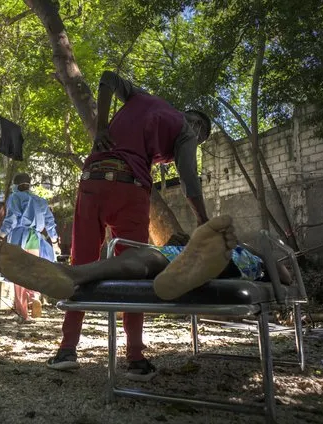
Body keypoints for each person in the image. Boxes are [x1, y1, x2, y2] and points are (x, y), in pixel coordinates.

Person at [50, 70, 213, 378]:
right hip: (129, 187)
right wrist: (204, 221)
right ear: (198, 125)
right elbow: (191, 184)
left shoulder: (144, 98)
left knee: (80, 264)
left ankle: (66, 350)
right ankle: (135, 359)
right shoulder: (188, 131)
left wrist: (101, 128)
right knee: (133, 269)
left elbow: (108, 77)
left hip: (92, 178)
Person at [0, 216, 292, 379]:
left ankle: (73, 272)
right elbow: (286, 277)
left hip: (192, 258)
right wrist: (264, 257)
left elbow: (285, 280)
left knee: (143, 258)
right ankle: (71, 274)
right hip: (209, 262)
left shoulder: (244, 250)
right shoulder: (248, 251)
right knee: (150, 256)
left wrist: (267, 259)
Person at [0, 173, 59, 322]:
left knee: (19, 274)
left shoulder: (15, 197)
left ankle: (23, 313)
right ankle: (34, 298)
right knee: (33, 272)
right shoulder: (40, 201)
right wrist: (55, 242)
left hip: (19, 236)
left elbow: (11, 218)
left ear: (15, 185)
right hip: (35, 238)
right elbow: (50, 223)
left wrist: (0, 236)